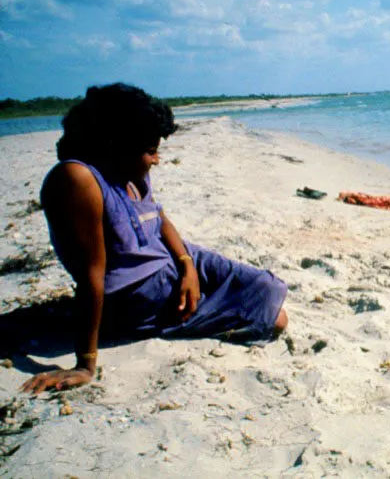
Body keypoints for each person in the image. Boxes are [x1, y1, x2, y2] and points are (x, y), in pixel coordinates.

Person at [21, 83, 288, 395]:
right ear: (113, 144)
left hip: (179, 260)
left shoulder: (129, 170)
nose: (157, 160)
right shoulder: (78, 179)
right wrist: (85, 364)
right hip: (143, 297)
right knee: (276, 320)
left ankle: (205, 292)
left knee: (269, 288)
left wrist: (187, 266)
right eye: (150, 151)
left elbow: (158, 218)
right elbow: (91, 274)